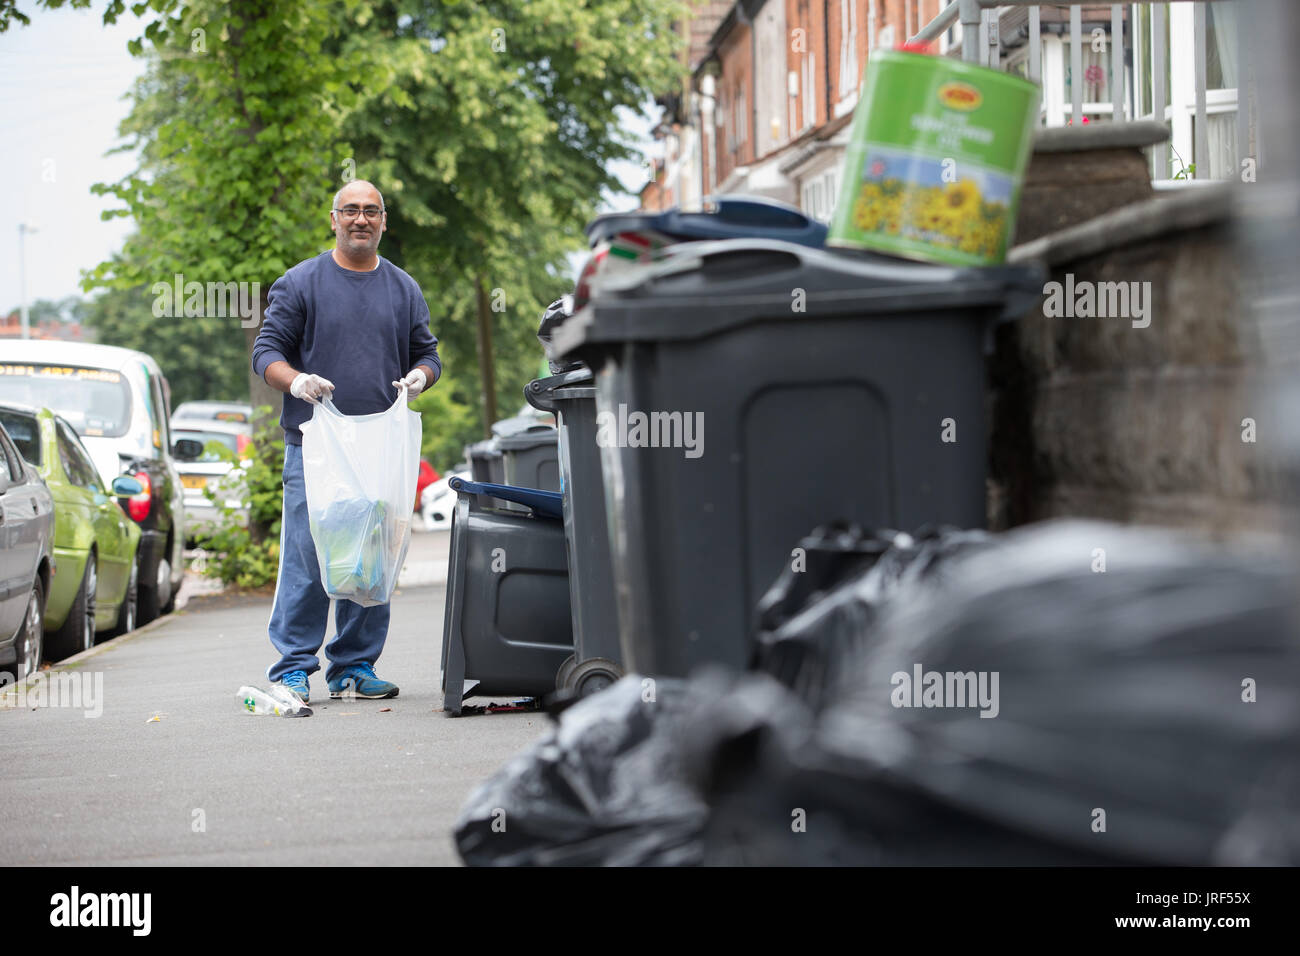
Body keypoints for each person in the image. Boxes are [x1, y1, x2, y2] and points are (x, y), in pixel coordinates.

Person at [251, 180, 440, 704]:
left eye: (371, 211)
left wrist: (421, 377)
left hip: (379, 449)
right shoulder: (300, 283)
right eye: (350, 210)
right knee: (309, 559)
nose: (361, 219)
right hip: (315, 449)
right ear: (333, 219)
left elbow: (427, 354)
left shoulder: (403, 289)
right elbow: (266, 353)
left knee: (370, 562)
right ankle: (292, 668)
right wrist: (296, 381)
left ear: (384, 221)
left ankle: (354, 666)